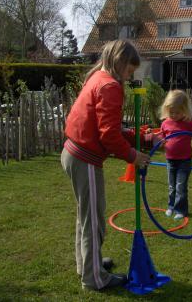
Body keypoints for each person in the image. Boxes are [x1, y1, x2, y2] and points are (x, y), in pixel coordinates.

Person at [60, 40, 151, 291]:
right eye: (130, 71)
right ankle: (94, 278)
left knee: (85, 217)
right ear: (120, 62)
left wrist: (138, 137)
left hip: (73, 153)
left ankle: (88, 266)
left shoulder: (98, 77)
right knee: (93, 221)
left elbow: (108, 127)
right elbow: (108, 136)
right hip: (84, 159)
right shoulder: (110, 85)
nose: (129, 76)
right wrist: (133, 156)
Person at [159, 90, 192, 220]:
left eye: (177, 112)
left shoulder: (188, 123)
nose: (174, 115)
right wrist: (161, 142)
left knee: (180, 186)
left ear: (184, 110)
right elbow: (162, 136)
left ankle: (181, 210)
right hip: (170, 160)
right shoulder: (165, 123)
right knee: (172, 186)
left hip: (184, 161)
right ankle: (171, 206)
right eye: (171, 112)